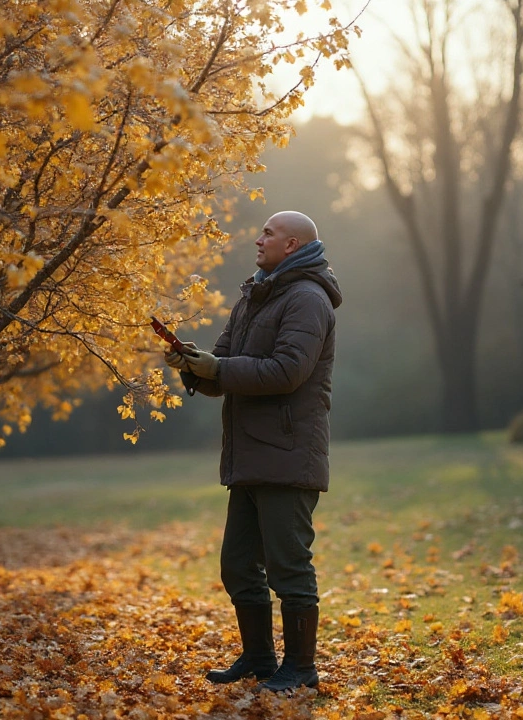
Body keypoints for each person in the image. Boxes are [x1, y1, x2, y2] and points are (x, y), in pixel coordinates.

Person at [165, 210, 341, 693]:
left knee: (289, 566)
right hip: (249, 456)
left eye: (267, 232)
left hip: (288, 455)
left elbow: (286, 370)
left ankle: (301, 670)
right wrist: (193, 364)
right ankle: (262, 660)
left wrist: (217, 368)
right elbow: (224, 367)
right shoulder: (254, 296)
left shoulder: (307, 299)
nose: (257, 239)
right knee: (239, 565)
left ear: (292, 245)